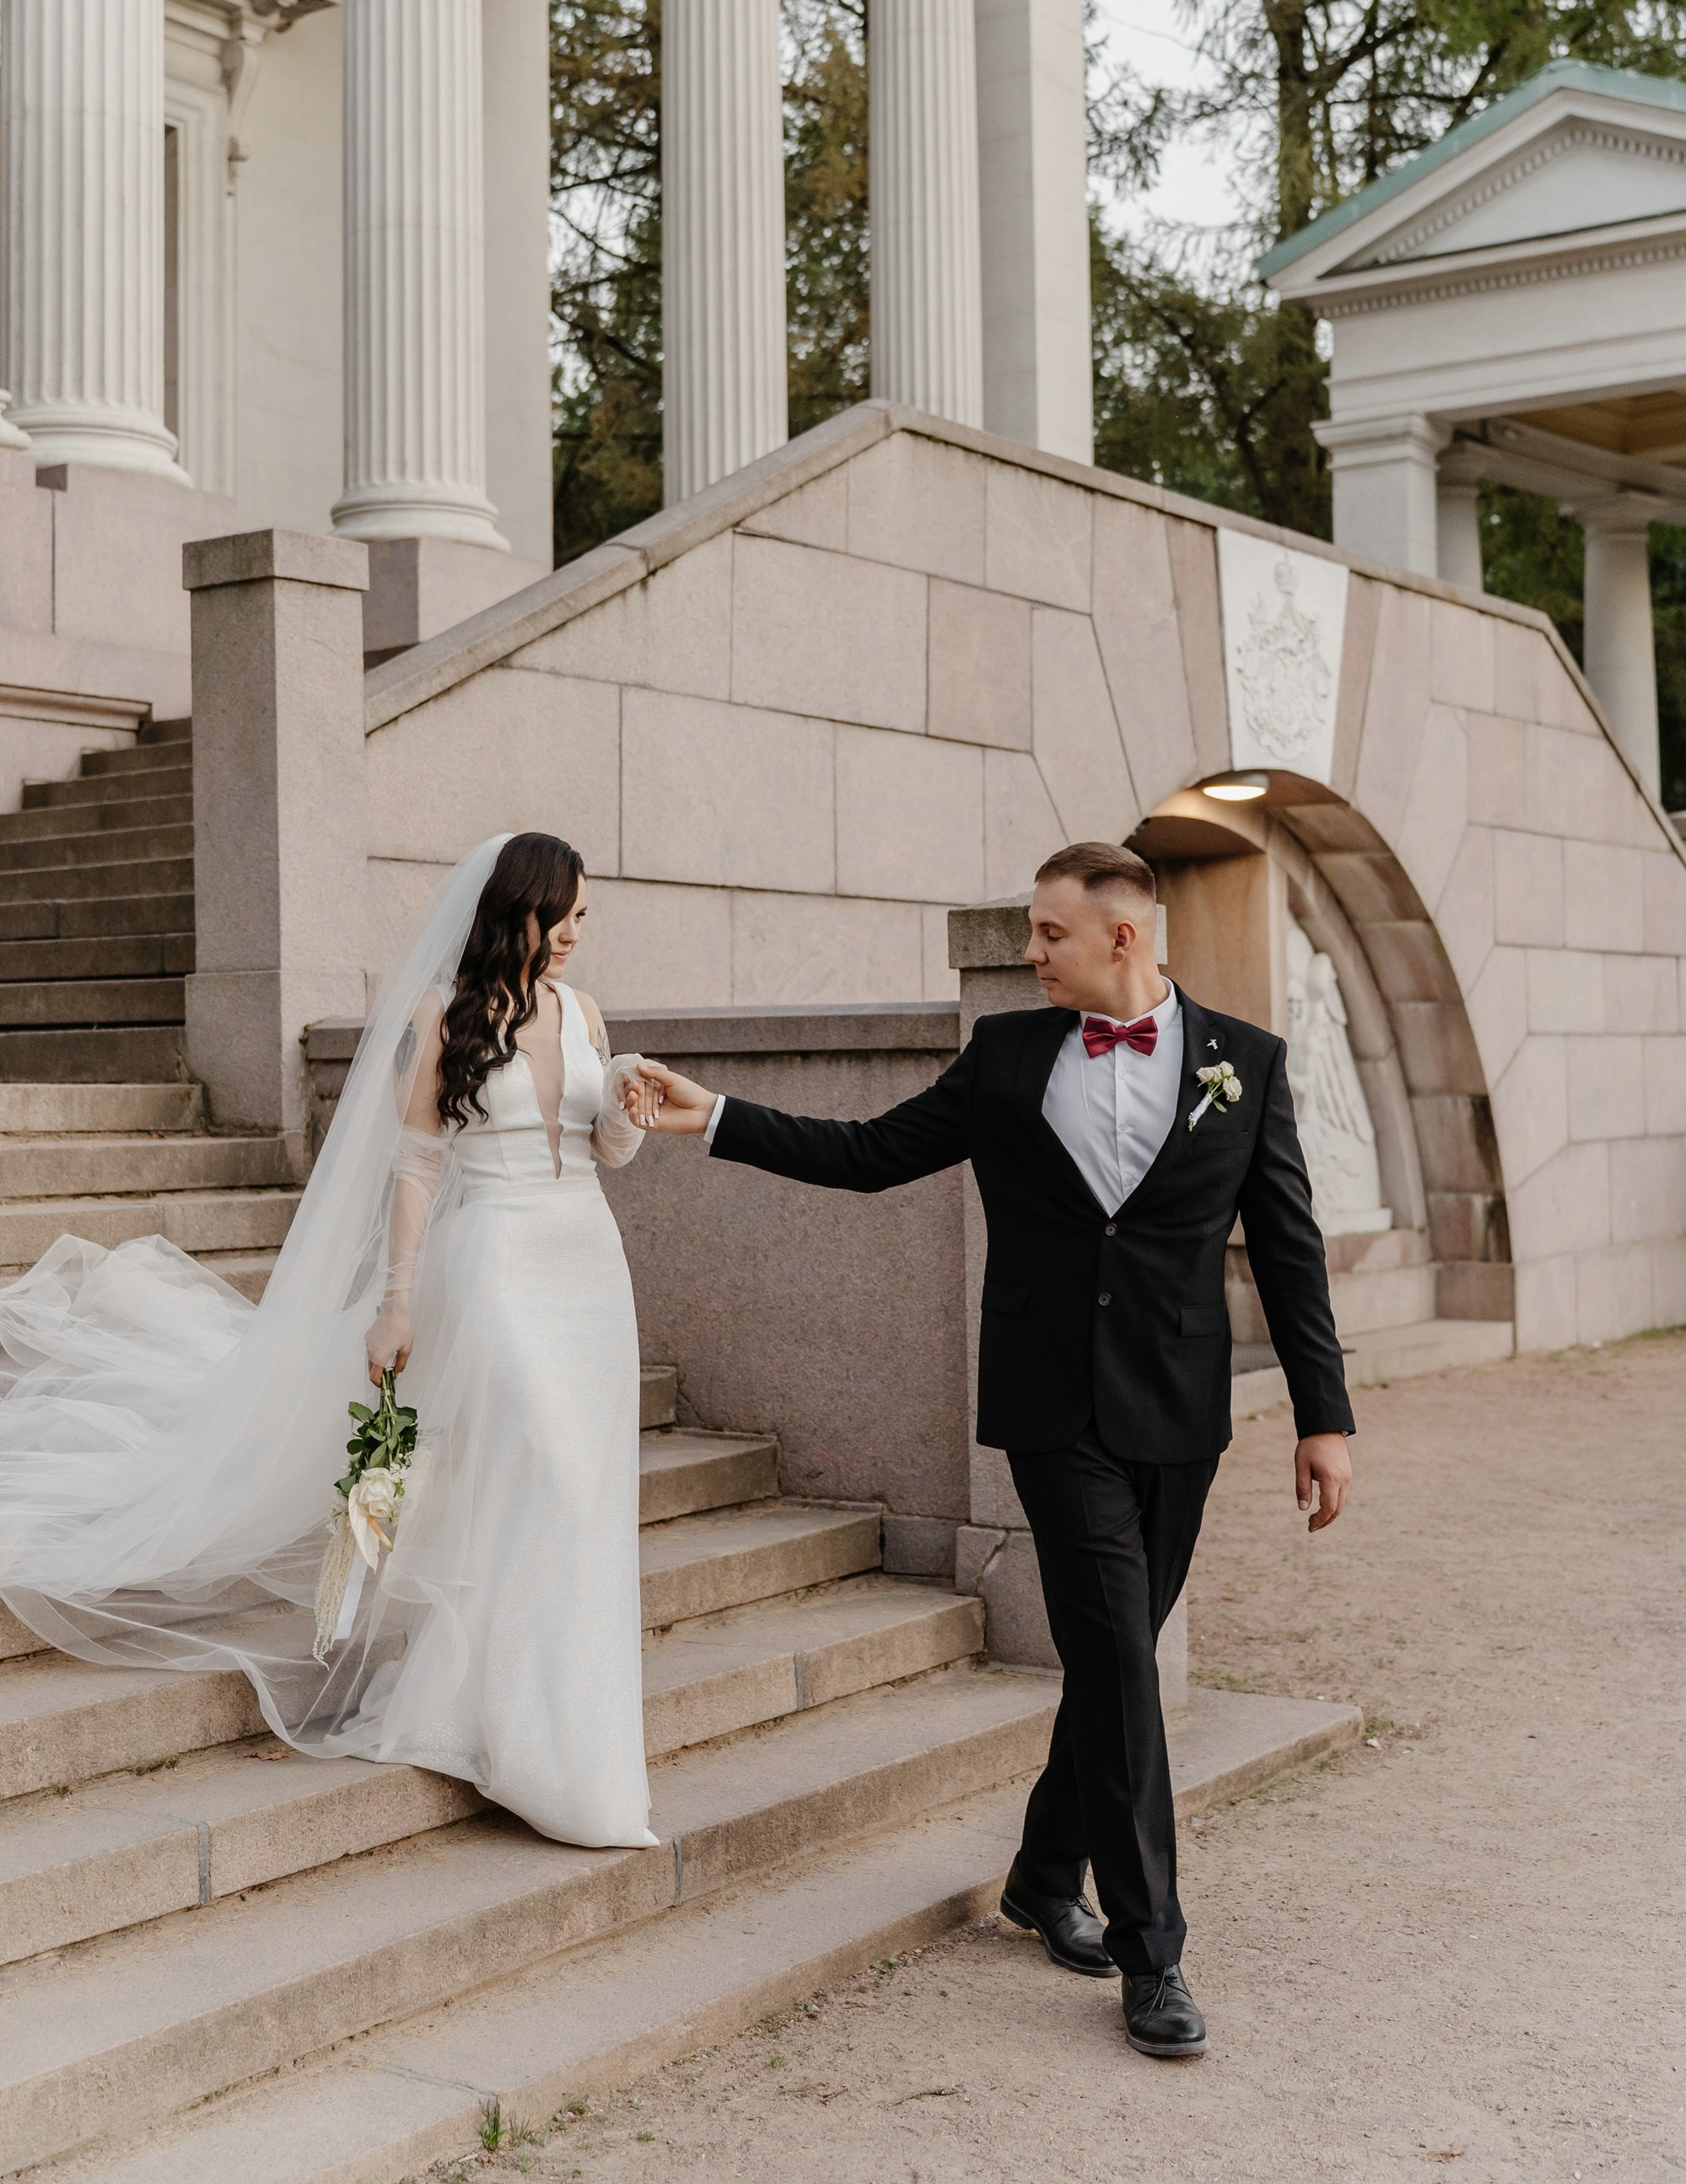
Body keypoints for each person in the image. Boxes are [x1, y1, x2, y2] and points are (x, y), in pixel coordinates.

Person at [626, 838, 1355, 2056]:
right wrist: (718, 1118)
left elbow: (1286, 1247)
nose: (1028, 953)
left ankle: (1038, 1874)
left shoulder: (1245, 1062)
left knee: (1110, 1665)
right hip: (1049, 1410)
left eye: (1047, 933)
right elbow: (868, 1157)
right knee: (1122, 1664)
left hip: (1177, 1413)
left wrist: (1323, 1418)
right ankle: (1152, 1955)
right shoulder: (1007, 1056)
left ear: (1122, 937)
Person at [0, 832, 658, 1850]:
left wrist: (624, 1112)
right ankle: (533, 1743)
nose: (575, 932)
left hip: (588, 1270)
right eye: (559, 912)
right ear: (513, 910)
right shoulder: (445, 1014)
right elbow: (414, 1169)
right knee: (541, 1470)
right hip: (496, 1269)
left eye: (584, 914)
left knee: (583, 1493)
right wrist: (394, 1303)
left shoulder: (585, 1014)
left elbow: (598, 1154)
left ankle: (540, 1725)